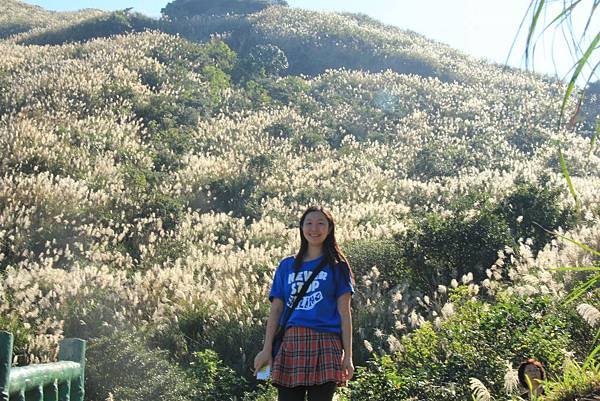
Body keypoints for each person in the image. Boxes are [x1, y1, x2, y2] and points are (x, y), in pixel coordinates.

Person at [253, 206, 355, 401]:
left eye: (320, 223)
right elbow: (276, 310)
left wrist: (348, 356)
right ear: (301, 228)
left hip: (326, 344)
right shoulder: (286, 266)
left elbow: (345, 312)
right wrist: (266, 349)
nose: (314, 229)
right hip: (291, 343)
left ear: (329, 228)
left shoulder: (338, 266)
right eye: (309, 223)